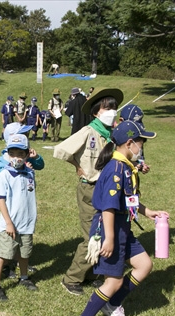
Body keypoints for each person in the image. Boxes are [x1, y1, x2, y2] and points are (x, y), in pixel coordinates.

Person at [71, 120, 164, 316]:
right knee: (114, 280)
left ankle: (112, 303)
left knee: (144, 265)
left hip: (123, 226)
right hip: (109, 228)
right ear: (130, 143)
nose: (142, 149)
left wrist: (147, 211)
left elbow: (128, 199)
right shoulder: (115, 169)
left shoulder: (125, 167)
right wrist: (109, 239)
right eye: (141, 143)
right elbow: (108, 208)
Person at [54, 87, 124, 295]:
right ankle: (72, 278)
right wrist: (77, 165)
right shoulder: (88, 131)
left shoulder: (112, 134)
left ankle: (95, 272)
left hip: (108, 189)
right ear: (95, 112)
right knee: (92, 235)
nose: (111, 111)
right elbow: (61, 150)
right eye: (106, 108)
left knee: (105, 232)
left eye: (114, 108)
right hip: (90, 189)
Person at [0, 133, 39, 301]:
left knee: (24, 254)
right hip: (9, 225)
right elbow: (1, 200)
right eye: (13, 154)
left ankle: (24, 278)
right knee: (4, 254)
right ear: (7, 154)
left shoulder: (30, 174)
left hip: (26, 223)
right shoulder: (4, 174)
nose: (16, 157)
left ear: (26, 155)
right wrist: (9, 223)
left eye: (20, 154)